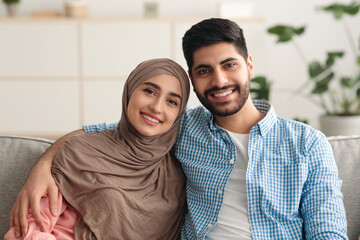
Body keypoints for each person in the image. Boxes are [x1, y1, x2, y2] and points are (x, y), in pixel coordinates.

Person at [10, 18, 348, 239]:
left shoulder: (306, 143)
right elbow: (100, 133)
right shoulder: (181, 127)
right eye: (204, 71)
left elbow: (328, 230)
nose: (219, 81)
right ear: (193, 79)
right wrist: (42, 164)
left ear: (249, 66)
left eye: (229, 65)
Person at [6, 58, 190, 239]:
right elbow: (29, 228)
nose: (156, 107)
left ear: (179, 113)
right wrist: (43, 164)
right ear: (130, 91)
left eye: (172, 102)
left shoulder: (179, 171)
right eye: (149, 91)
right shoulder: (80, 150)